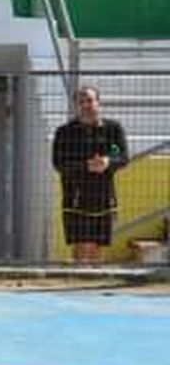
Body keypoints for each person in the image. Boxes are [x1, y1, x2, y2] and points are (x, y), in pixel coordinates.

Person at [52, 85, 128, 265]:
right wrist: (87, 166)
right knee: (81, 245)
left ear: (98, 102)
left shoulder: (112, 129)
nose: (86, 105)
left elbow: (121, 156)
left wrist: (107, 162)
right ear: (76, 106)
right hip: (76, 197)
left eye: (90, 100)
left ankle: (91, 279)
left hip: (104, 196)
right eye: (81, 102)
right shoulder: (65, 132)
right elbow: (59, 163)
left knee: (96, 246)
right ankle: (79, 277)